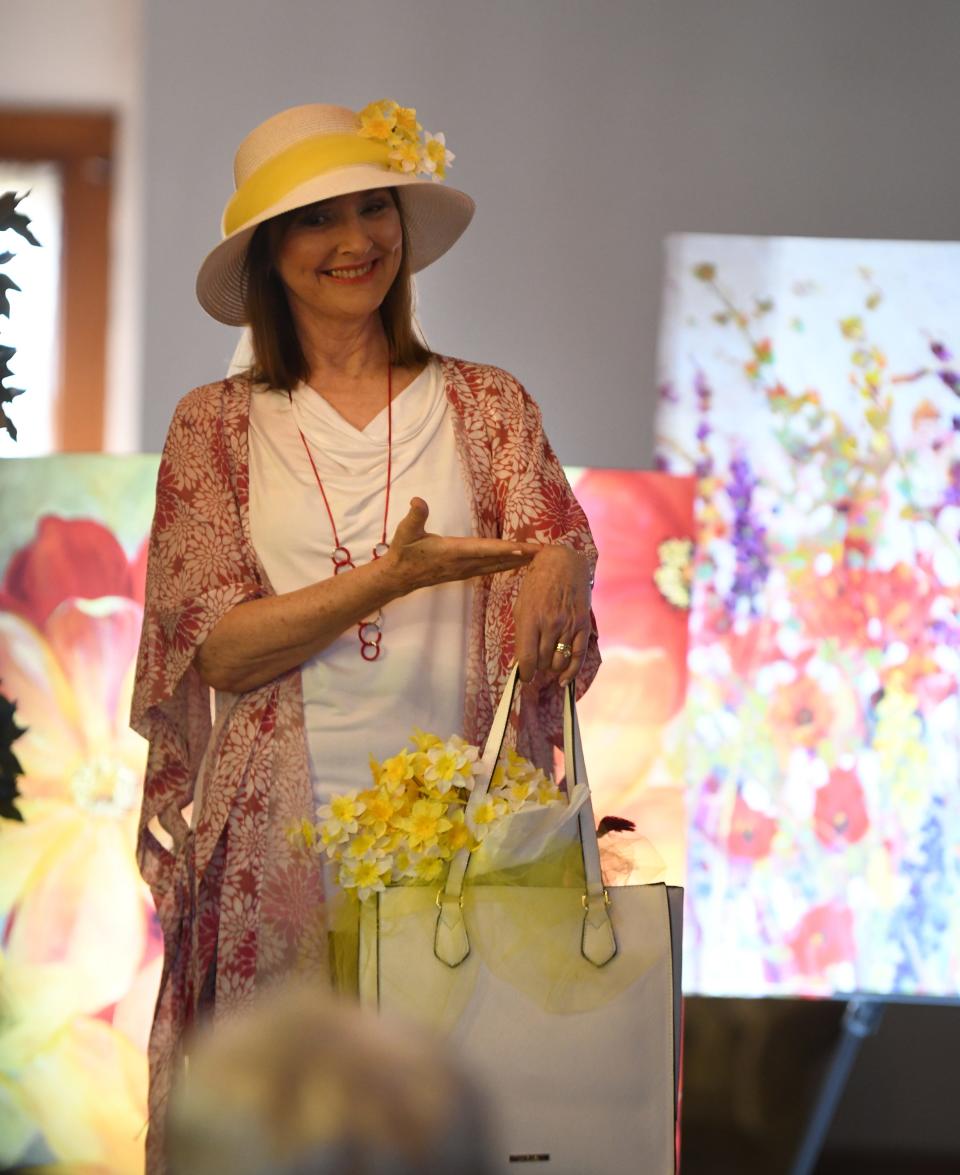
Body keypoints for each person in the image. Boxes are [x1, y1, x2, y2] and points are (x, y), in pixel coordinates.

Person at [131, 99, 600, 1172]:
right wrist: (388, 578)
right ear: (267, 255)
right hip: (277, 849)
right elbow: (219, 651)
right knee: (284, 1133)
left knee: (455, 1126)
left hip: (469, 843)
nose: (355, 241)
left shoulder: (487, 404)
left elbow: (552, 549)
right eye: (317, 220)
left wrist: (565, 564)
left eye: (374, 207)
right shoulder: (215, 425)